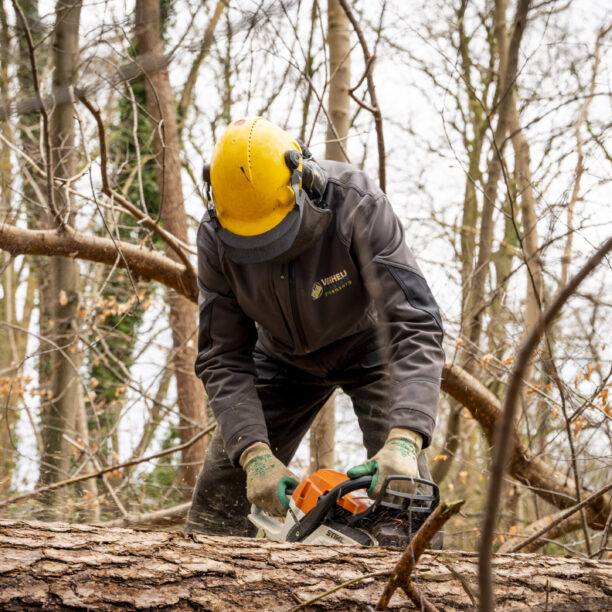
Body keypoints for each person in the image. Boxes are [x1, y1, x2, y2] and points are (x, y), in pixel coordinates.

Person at [186, 116, 444, 536]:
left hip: (370, 347)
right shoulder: (216, 234)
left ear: (303, 180)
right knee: (219, 501)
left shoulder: (356, 204)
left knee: (406, 497)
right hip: (281, 358)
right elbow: (222, 353)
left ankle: (418, 586)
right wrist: (253, 454)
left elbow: (415, 322)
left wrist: (406, 438)